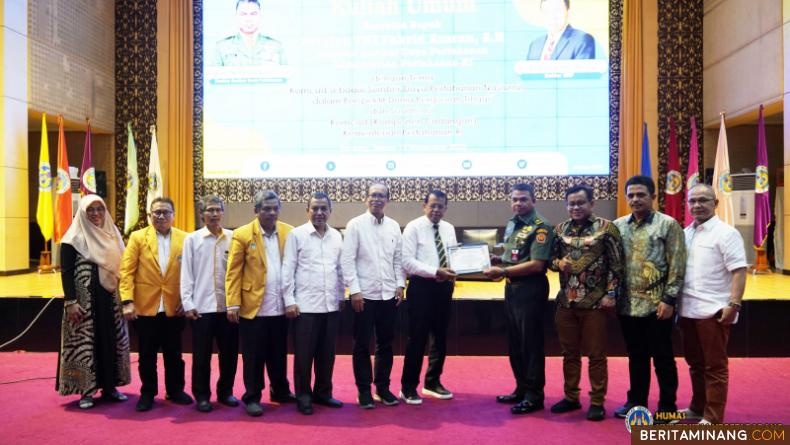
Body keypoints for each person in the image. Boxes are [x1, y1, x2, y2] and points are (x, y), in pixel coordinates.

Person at [548, 184, 624, 421]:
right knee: (569, 354)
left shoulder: (607, 228)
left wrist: (611, 294)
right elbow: (549, 260)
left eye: (581, 202)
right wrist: (558, 264)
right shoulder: (559, 230)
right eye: (571, 203)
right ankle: (571, 397)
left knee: (596, 355)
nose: (576, 207)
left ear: (592, 203)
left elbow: (617, 265)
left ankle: (597, 401)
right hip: (566, 303)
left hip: (595, 305)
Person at [613, 176, 685, 420]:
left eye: (641, 194)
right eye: (631, 195)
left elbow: (677, 265)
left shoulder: (668, 224)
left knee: (663, 357)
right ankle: (636, 402)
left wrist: (669, 299)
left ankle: (667, 407)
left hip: (657, 305)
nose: (635, 199)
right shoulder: (618, 226)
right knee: (636, 356)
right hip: (627, 305)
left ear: (653, 196)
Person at [679, 184, 747, 425]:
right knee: (695, 364)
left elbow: (739, 271)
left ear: (715, 203)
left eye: (703, 200)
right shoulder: (685, 233)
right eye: (692, 201)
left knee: (715, 366)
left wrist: (734, 304)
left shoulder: (727, 233)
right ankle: (697, 408)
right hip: (687, 310)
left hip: (713, 311)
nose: (697, 205)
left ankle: (713, 417)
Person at [484, 183, 554, 415]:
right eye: (515, 199)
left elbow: (536, 264)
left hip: (530, 289)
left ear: (533, 201)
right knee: (515, 342)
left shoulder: (540, 227)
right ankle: (521, 388)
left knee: (530, 344)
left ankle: (535, 396)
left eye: (523, 199)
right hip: (512, 289)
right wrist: (498, 260)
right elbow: (512, 256)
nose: (518, 203)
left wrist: (503, 271)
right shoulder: (513, 223)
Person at [225, 190, 295, 417]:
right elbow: (233, 272)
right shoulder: (243, 234)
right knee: (253, 356)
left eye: (275, 208)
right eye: (266, 208)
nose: (271, 212)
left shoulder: (289, 232)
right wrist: (232, 303)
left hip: (280, 306)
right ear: (256, 211)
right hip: (252, 307)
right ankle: (253, 397)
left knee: (278, 353)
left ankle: (280, 391)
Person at [57, 194, 131, 409]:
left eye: (100, 209)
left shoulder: (112, 234)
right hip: (83, 303)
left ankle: (110, 387)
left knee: (111, 342)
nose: (96, 214)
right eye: (91, 210)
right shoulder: (73, 238)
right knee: (85, 345)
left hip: (110, 299)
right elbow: (66, 273)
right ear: (82, 212)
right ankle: (86, 391)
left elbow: (123, 267)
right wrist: (70, 301)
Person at [120, 197, 193, 412]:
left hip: (174, 307)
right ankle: (148, 393)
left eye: (166, 212)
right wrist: (127, 301)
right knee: (147, 355)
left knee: (174, 354)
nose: (161, 216)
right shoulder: (137, 237)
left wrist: (186, 300)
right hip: (145, 307)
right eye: (157, 212)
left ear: (173, 215)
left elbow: (192, 273)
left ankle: (175, 390)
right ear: (150, 215)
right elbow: (127, 272)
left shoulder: (185, 239)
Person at [341, 183, 405, 409]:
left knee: (386, 344)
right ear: (365, 199)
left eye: (381, 196)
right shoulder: (355, 225)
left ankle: (383, 388)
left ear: (388, 200)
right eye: (373, 195)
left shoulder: (394, 226)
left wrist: (400, 284)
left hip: (388, 294)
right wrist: (355, 290)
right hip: (364, 296)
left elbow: (398, 259)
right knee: (361, 345)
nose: (377, 199)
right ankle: (364, 390)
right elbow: (347, 260)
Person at [282, 192, 345, 415]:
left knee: (327, 355)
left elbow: (339, 269)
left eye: (323, 209)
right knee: (304, 356)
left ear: (330, 211)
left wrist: (341, 297)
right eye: (314, 208)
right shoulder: (296, 235)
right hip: (305, 307)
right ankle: (303, 396)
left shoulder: (337, 236)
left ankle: (323, 393)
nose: (319, 213)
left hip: (330, 306)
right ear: (307, 210)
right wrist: (289, 300)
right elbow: (287, 269)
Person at [180, 195, 238, 413]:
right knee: (201, 355)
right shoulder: (192, 240)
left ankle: (226, 392)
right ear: (201, 213)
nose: (214, 214)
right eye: (209, 210)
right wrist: (188, 303)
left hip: (228, 309)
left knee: (229, 354)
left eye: (217, 210)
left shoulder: (233, 238)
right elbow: (186, 273)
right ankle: (202, 395)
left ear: (223, 212)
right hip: (201, 308)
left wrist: (236, 304)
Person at [400, 189, 458, 405]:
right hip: (421, 288)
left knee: (440, 338)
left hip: (444, 288)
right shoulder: (413, 228)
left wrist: (460, 266)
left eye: (440, 206)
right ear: (424, 206)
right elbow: (407, 262)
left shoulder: (449, 228)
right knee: (417, 338)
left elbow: (452, 255)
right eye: (432, 205)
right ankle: (408, 387)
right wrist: (435, 272)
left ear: (445, 207)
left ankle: (432, 382)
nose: (436, 209)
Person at [214, 0, 286, 66]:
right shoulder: (222, 47)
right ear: (236, 16)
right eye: (243, 14)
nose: (248, 19)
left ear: (260, 16)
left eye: (253, 14)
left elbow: (287, 77)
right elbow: (214, 78)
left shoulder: (275, 46)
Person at [526, 0, 595, 60]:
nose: (552, 16)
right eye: (547, 11)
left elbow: (582, 74)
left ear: (568, 12)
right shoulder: (535, 45)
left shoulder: (582, 40)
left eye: (557, 10)